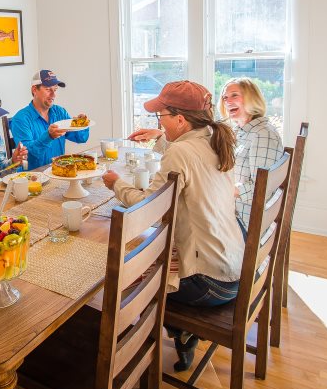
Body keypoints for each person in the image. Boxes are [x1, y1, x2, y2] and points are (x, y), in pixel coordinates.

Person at [102, 81, 243, 372]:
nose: (159, 121)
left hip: (208, 283)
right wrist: (160, 136)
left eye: (161, 117)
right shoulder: (214, 137)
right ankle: (181, 332)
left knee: (125, 279)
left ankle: (129, 353)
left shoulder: (181, 153)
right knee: (150, 259)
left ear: (180, 119)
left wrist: (117, 184)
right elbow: (184, 153)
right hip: (233, 269)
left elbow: (148, 210)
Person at [219, 77, 284, 231]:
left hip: (244, 222)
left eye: (234, 95)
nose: (228, 101)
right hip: (233, 212)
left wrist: (222, 190)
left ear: (251, 98)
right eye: (225, 98)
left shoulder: (263, 134)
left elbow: (261, 188)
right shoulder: (241, 130)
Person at [10, 69, 89, 170]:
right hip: (33, 176)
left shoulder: (59, 112)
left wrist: (81, 124)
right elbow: (28, 156)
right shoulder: (20, 119)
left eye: (55, 90)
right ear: (34, 90)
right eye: (48, 89)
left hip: (58, 173)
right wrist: (49, 136)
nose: (53, 95)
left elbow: (81, 138)